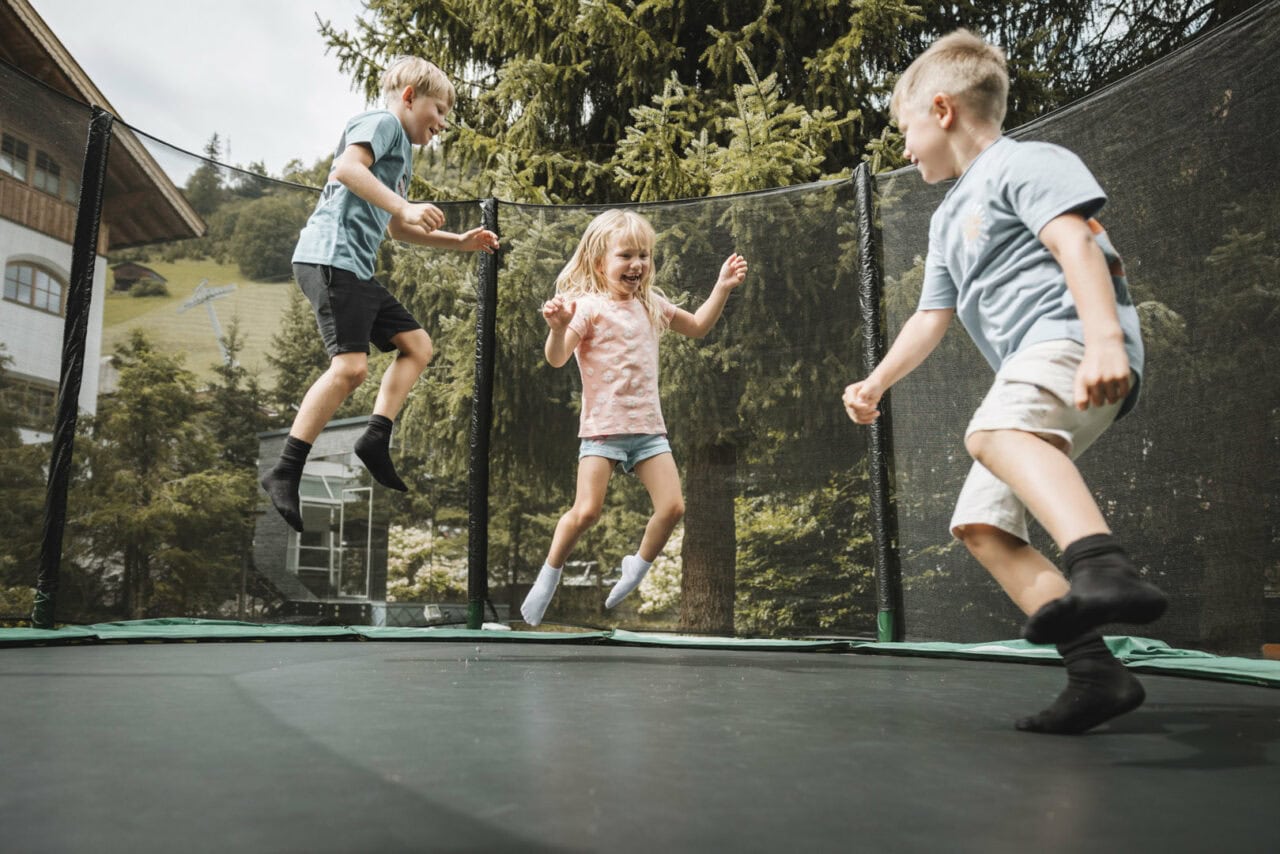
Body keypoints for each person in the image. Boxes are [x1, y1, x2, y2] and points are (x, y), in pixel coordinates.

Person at [842, 31, 1166, 734]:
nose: (904, 149)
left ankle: (1103, 565)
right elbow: (932, 319)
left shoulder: (1027, 163)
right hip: (1038, 361)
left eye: (905, 130)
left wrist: (1105, 340)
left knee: (991, 432)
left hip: (1072, 339)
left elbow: (1076, 241)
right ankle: (1095, 672)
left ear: (943, 110)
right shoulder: (946, 218)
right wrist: (875, 382)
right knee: (982, 525)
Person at [261, 56, 499, 532]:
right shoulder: (383, 122)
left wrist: (459, 242)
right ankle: (285, 468)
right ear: (410, 96)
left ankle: (375, 437)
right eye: (439, 109)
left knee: (418, 345)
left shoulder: (403, 155)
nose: (443, 123)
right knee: (350, 368)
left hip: (355, 269)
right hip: (330, 257)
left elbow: (398, 228)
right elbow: (346, 170)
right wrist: (404, 204)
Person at [520, 210, 748, 626]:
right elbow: (556, 359)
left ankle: (636, 568)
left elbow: (697, 326)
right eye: (625, 255)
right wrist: (558, 327)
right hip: (603, 431)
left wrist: (722, 287)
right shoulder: (586, 308)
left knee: (674, 507)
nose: (636, 264)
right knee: (586, 512)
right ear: (599, 262)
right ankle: (548, 577)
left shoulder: (650, 304)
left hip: (647, 432)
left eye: (643, 255)